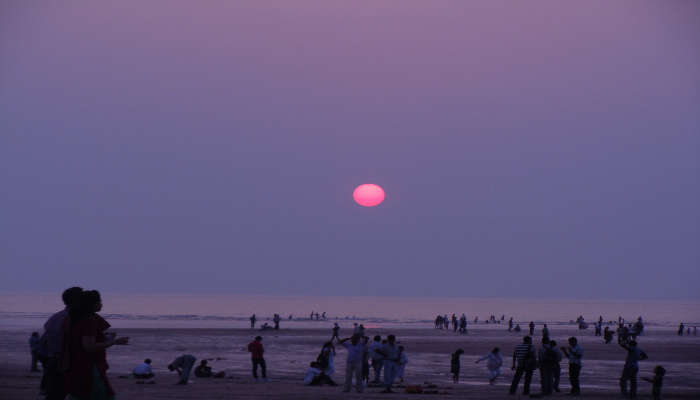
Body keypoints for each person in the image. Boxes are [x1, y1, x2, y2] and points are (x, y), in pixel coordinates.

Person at [64, 290, 129, 400]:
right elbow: (88, 346)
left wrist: (104, 338)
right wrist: (114, 342)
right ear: (92, 304)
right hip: (89, 366)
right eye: (99, 301)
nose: (101, 304)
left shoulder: (75, 318)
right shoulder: (89, 320)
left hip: (77, 364)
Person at [41, 286, 82, 400]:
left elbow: (43, 342)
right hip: (67, 363)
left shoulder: (54, 318)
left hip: (54, 361)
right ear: (77, 301)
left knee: (54, 395)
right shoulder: (72, 319)